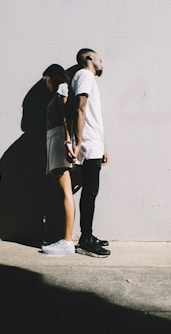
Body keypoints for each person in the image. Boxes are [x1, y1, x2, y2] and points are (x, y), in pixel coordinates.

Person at [71, 48, 111, 258]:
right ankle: (86, 239)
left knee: (89, 192)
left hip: (93, 143)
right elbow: (80, 108)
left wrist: (102, 146)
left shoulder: (87, 78)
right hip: (87, 144)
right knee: (90, 193)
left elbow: (91, 115)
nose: (102, 61)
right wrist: (78, 143)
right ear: (89, 58)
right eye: (99, 57)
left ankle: (87, 235)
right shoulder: (85, 75)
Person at [41, 64, 76, 255]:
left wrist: (68, 140)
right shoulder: (59, 90)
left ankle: (67, 241)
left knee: (65, 192)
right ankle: (63, 237)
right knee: (61, 192)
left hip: (59, 140)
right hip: (54, 140)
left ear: (53, 77)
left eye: (46, 80)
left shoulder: (62, 88)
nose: (46, 85)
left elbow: (66, 116)